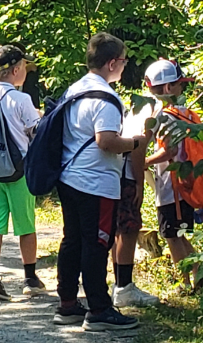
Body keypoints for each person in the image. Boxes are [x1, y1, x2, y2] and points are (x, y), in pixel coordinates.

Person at [53, 33, 145, 331]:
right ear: (112, 62)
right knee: (97, 243)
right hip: (96, 182)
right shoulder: (106, 98)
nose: (124, 66)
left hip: (69, 177)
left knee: (72, 240)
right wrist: (135, 143)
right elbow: (106, 141)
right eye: (123, 61)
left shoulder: (75, 90)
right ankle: (99, 309)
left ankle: (68, 303)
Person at [0, 45, 46, 301]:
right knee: (26, 225)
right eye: (24, 66)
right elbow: (35, 133)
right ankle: (30, 278)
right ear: (16, 70)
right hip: (18, 172)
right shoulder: (21, 99)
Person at [143, 59, 201, 293]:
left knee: (172, 236)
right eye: (180, 84)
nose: (182, 89)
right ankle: (200, 275)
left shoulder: (164, 116)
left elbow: (171, 150)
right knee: (178, 235)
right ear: (169, 88)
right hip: (184, 186)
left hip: (172, 189)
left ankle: (185, 283)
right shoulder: (183, 114)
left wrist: (143, 162)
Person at [111, 99, 160, 307]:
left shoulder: (138, 106)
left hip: (113, 173)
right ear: (168, 88)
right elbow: (138, 147)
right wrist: (140, 182)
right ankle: (124, 288)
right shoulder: (154, 112)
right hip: (127, 175)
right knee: (129, 229)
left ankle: (119, 284)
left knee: (118, 229)